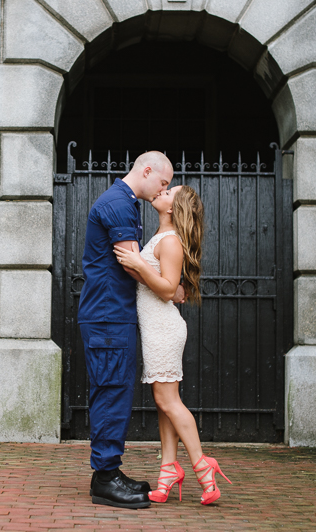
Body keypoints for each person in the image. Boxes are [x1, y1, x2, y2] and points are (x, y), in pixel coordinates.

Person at [78, 151, 184, 509]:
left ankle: (108, 472)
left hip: (113, 315)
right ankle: (105, 479)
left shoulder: (126, 203)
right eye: (164, 183)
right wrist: (169, 288)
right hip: (107, 315)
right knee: (111, 391)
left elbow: (136, 263)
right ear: (148, 170)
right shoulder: (119, 205)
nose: (163, 190)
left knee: (116, 391)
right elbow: (131, 265)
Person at [114, 185, 232, 505]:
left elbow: (167, 291)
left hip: (163, 329)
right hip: (158, 328)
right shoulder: (163, 235)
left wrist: (137, 264)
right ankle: (168, 472)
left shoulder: (170, 241)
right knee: (165, 403)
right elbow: (168, 286)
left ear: (172, 207)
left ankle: (202, 468)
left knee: (168, 402)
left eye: (169, 191)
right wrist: (137, 266)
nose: (161, 190)